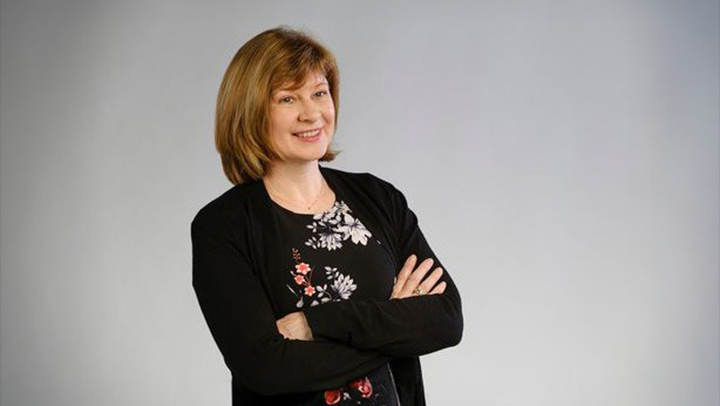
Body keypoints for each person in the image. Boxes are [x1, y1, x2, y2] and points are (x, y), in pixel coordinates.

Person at [191, 26, 463, 405]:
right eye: (288, 99)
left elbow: (446, 320)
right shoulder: (223, 226)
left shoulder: (379, 198)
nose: (311, 114)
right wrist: (395, 323)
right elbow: (266, 368)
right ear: (250, 111)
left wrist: (317, 323)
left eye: (319, 93)